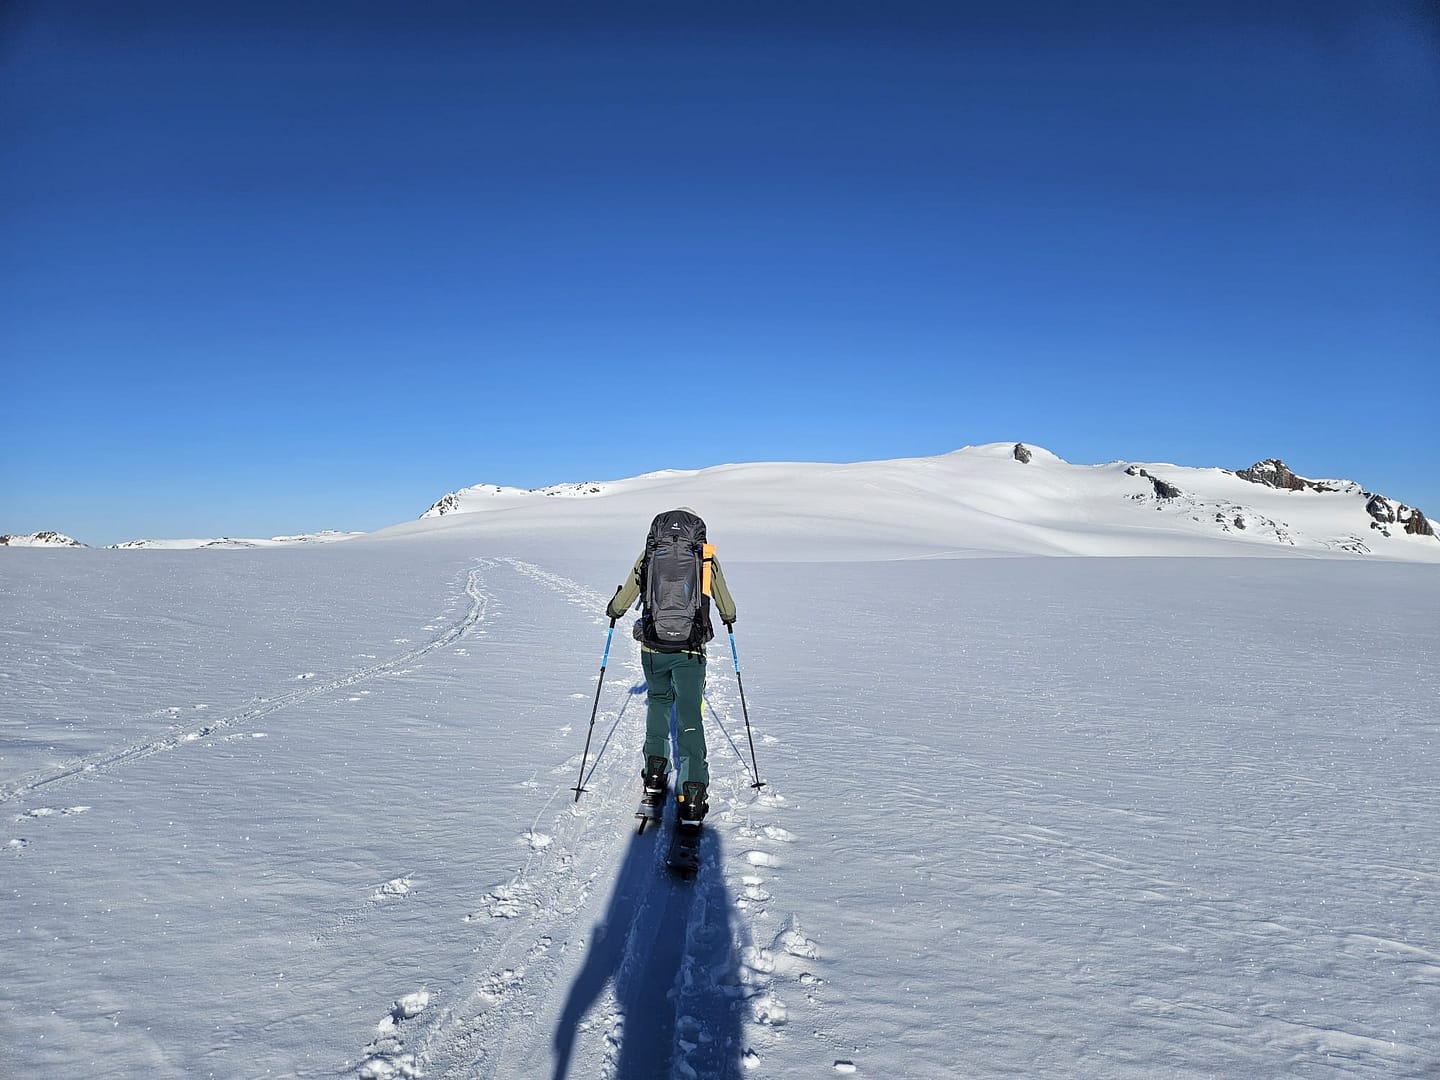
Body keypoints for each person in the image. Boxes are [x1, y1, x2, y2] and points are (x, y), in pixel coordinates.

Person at [606, 507, 736, 824]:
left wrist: (615, 608)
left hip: (653, 647)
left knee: (659, 704)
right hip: (691, 649)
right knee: (690, 712)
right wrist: (728, 618)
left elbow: (629, 592)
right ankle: (692, 793)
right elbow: (725, 603)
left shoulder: (649, 553)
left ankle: (654, 774)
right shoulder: (705, 555)